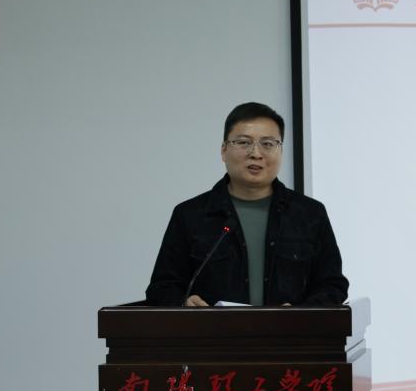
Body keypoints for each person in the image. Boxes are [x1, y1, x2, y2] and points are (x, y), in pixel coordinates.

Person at [145, 102, 348, 307]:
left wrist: (301, 313)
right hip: (214, 329)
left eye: (268, 144)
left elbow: (332, 285)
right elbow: (162, 287)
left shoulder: (310, 214)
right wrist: (184, 303)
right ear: (223, 150)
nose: (256, 153)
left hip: (290, 329)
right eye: (243, 142)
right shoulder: (190, 215)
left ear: (280, 151)